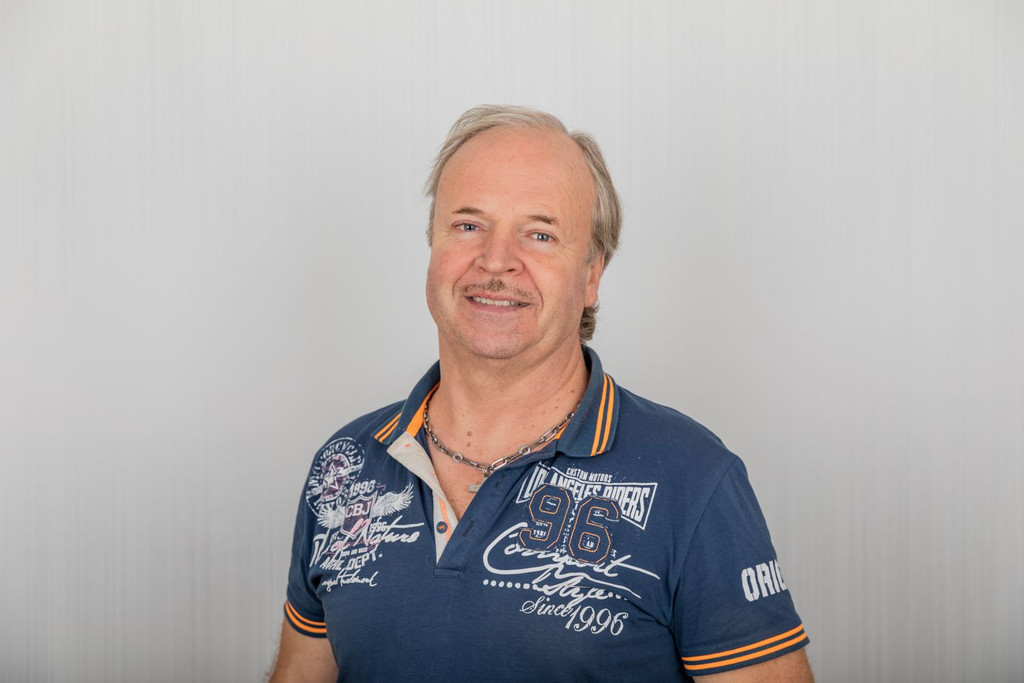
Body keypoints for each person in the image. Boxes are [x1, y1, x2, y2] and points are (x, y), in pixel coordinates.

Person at [269, 105, 813, 682]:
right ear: (432, 244)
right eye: (468, 225)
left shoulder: (694, 479)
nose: (496, 260)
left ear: (591, 275)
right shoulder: (346, 464)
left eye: (540, 234)